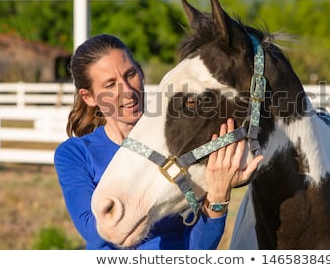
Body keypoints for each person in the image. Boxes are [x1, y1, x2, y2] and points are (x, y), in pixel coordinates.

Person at [54, 34, 263, 250]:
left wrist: (218, 196)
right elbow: (95, 233)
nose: (127, 91)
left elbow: (198, 251)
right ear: (88, 97)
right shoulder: (75, 153)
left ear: (141, 72)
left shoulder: (182, 143)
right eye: (110, 84)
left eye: (130, 74)